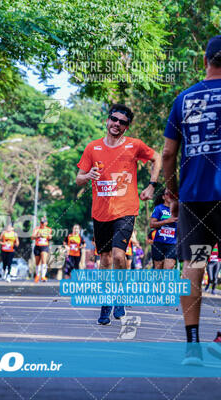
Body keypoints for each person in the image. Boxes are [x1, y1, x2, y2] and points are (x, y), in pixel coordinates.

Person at [162, 35, 221, 364]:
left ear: (205, 60)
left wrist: (172, 192)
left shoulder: (184, 99)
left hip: (195, 200)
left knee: (194, 265)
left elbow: (169, 153)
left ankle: (192, 347)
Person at [77, 103, 161, 325]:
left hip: (126, 209)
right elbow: (78, 178)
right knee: (104, 259)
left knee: (117, 255)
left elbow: (158, 158)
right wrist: (88, 176)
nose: (116, 124)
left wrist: (152, 186)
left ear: (127, 126)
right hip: (100, 212)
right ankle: (106, 303)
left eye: (122, 122)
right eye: (114, 119)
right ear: (108, 120)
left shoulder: (135, 146)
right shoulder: (92, 148)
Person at [150, 190, 178, 270]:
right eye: (167, 194)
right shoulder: (158, 208)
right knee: (158, 270)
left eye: (172, 194)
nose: (170, 195)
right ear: (163, 197)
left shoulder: (178, 209)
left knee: (168, 269)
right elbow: (151, 224)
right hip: (159, 243)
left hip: (173, 244)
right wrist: (166, 221)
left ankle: (166, 283)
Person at [31, 216, 53, 282]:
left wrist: (50, 236)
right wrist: (37, 235)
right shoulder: (36, 229)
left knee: (44, 260)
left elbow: (50, 237)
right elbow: (32, 237)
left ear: (46, 223)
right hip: (37, 246)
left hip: (45, 246)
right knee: (37, 262)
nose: (42, 224)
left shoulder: (49, 229)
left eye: (43, 223)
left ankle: (43, 276)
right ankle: (37, 275)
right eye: (41, 223)